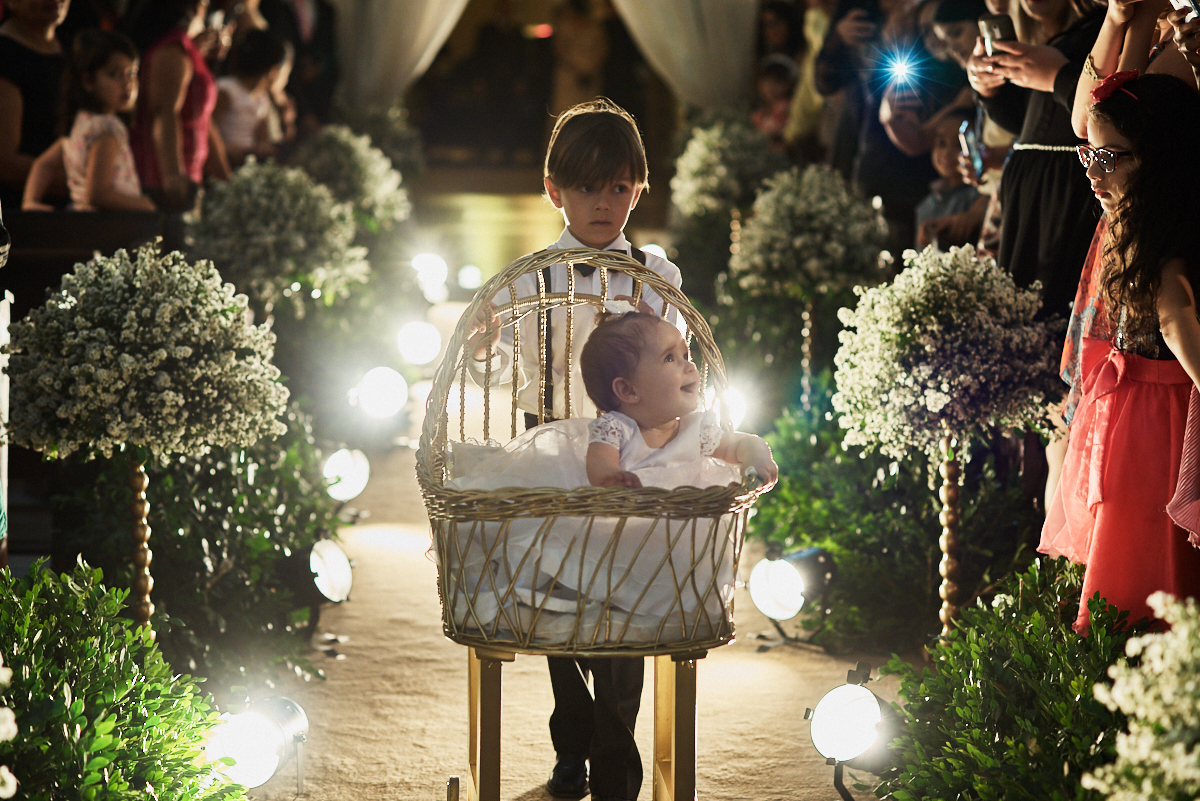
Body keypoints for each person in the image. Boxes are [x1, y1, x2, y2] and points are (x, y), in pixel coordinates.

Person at [465, 98, 681, 801]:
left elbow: (678, 368)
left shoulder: (655, 277)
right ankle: (572, 742)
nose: (605, 203)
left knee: (626, 617)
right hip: (550, 455)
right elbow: (504, 371)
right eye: (588, 187)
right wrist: (482, 348)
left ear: (638, 190)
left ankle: (616, 764)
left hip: (632, 462)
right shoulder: (526, 279)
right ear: (555, 190)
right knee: (562, 613)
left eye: (620, 187)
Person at [1039, 71, 1200, 633]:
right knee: (1132, 538)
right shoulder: (1129, 222)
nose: (1094, 171)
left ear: (1162, 159)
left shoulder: (1162, 234)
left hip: (1158, 413)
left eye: (1113, 156)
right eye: (1090, 152)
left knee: (1147, 543)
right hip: (1130, 404)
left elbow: (1175, 316)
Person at [581, 310, 778, 490]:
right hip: (629, 523)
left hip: (688, 524)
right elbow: (600, 466)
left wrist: (756, 457)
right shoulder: (615, 428)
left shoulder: (697, 430)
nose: (689, 366)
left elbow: (740, 443)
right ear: (628, 389)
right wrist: (614, 477)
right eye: (669, 358)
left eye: (686, 355)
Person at [23, 29, 153, 211]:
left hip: (84, 223)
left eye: (131, 73)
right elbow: (98, 194)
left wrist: (30, 202)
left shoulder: (79, 124)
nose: (127, 84)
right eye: (114, 74)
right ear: (88, 81)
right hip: (109, 226)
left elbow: (43, 164)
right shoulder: (108, 128)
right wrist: (145, 206)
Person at [125, 0, 231, 212]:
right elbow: (164, 113)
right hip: (159, 180)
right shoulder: (172, 49)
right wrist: (173, 175)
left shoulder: (185, 47)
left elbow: (202, 119)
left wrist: (224, 176)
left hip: (185, 176)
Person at [0, 0, 70, 207]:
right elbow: (6, 163)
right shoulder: (6, 54)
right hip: (20, 213)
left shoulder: (71, 48)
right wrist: (84, 182)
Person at [213, 27, 291, 167]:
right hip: (224, 160)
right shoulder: (227, 90)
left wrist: (262, 147)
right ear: (274, 71)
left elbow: (262, 137)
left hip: (247, 163)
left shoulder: (262, 98)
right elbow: (208, 131)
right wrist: (230, 150)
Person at [915, 107, 981, 248]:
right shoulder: (925, 206)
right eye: (942, 143)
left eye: (959, 145)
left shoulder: (979, 198)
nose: (947, 153)